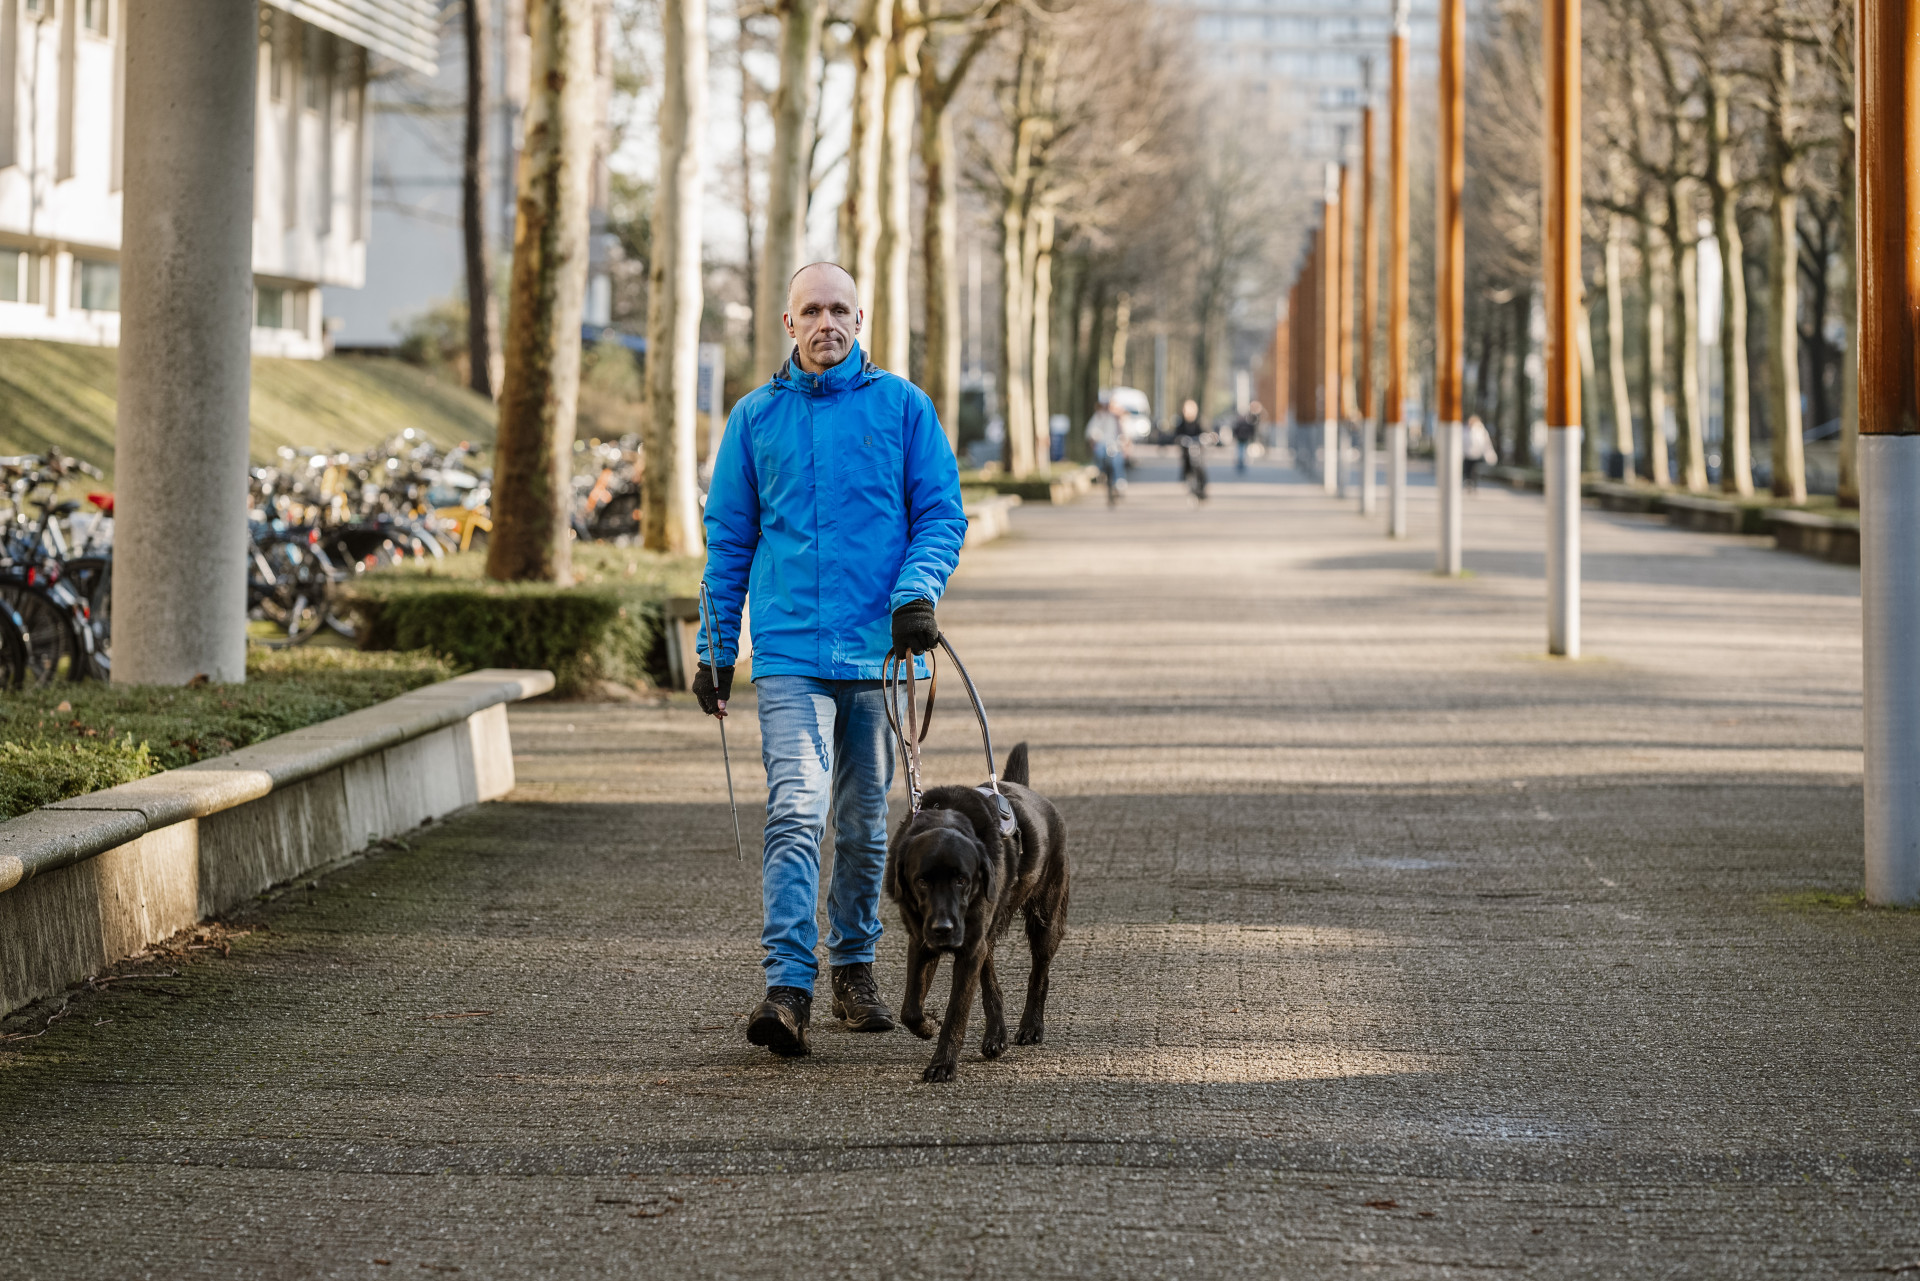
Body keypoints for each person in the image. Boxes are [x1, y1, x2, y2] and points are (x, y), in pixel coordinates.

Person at [695, 262, 969, 1060]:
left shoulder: (903, 408)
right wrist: (715, 649)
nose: (827, 323)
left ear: (862, 318)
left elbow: (941, 513)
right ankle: (788, 987)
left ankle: (854, 968)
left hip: (883, 653)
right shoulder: (753, 419)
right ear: (788, 323)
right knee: (795, 809)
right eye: (812, 310)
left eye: (840, 310)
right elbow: (729, 542)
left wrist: (917, 592)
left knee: (862, 828)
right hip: (788, 652)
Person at [1085, 395, 1128, 505]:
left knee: (1116, 460)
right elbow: (1090, 431)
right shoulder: (1098, 417)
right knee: (1099, 452)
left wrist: (1124, 442)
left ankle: (1119, 481)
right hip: (1101, 443)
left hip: (1114, 444)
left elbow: (1126, 433)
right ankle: (1100, 472)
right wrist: (1094, 438)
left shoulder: (1118, 418)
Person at [1172, 398, 1208, 503]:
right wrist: (1179, 439)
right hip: (1186, 452)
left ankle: (1202, 488)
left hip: (1198, 451)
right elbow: (1176, 435)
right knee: (1186, 467)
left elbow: (1205, 432)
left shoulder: (1199, 422)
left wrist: (1205, 438)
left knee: (1200, 468)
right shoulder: (1181, 423)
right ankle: (1187, 481)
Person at [1462, 415, 1498, 492]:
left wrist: (1489, 454)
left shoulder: (1481, 431)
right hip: (1467, 455)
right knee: (1467, 471)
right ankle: (1468, 483)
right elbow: (1461, 443)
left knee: (1474, 471)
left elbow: (1486, 444)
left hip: (1477, 455)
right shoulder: (1464, 430)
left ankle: (1473, 485)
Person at [1232, 402, 1262, 475]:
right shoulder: (1240, 424)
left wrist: (1251, 436)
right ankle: (1240, 462)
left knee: (1243, 451)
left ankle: (1242, 463)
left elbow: (1251, 430)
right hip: (1241, 439)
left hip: (1244, 439)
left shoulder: (1246, 423)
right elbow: (1235, 431)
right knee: (1240, 451)